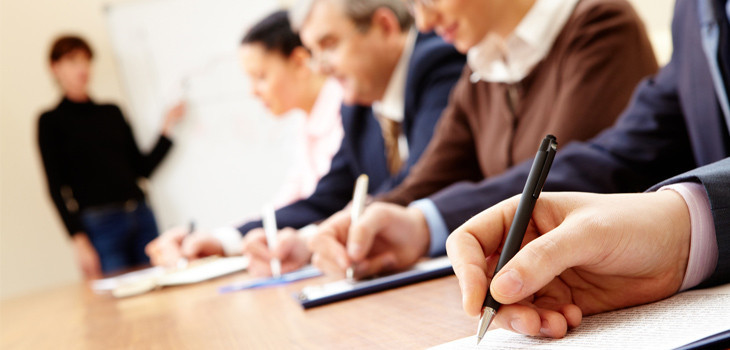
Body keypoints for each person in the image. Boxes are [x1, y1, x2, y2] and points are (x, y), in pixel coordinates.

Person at [364, 0, 730, 338]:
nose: (423, 22)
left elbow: (593, 173)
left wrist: (686, 226)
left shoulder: (600, 25)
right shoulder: (692, 8)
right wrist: (408, 220)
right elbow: (627, 147)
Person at [303, 0, 659, 278]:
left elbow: (560, 183)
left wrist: (423, 224)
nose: (423, 22)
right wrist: (353, 224)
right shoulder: (483, 66)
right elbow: (428, 179)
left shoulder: (600, 26)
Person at [145, 0, 466, 273]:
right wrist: (226, 239)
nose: (320, 67)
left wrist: (313, 237)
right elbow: (326, 198)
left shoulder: (438, 61)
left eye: (329, 45)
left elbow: (422, 179)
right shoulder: (358, 107)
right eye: (314, 51)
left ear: (384, 26)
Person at [38, 35, 184, 278]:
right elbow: (55, 188)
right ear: (55, 68)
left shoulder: (111, 112)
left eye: (86, 60)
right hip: (100, 225)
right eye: (73, 60)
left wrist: (167, 128)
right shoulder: (51, 122)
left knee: (162, 285)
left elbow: (142, 169)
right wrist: (79, 241)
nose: (82, 68)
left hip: (141, 215)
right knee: (118, 300)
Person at [240, 10, 344, 208]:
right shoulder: (305, 122)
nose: (252, 92)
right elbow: (293, 194)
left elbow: (325, 202)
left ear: (299, 62)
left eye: (260, 77)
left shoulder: (346, 111)